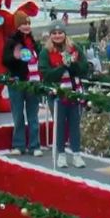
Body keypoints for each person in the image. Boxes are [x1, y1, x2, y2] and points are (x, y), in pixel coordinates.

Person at [39, 22, 89, 168]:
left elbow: (83, 69)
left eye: (60, 32)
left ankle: (76, 154)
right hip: (57, 95)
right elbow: (46, 75)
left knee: (75, 124)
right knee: (59, 125)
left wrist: (72, 64)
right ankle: (61, 154)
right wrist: (62, 67)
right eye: (54, 33)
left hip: (74, 93)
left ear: (65, 34)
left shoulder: (75, 48)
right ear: (50, 36)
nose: (57, 35)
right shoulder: (45, 52)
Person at [2, 11, 43, 156]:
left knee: (33, 115)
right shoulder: (12, 42)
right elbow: (5, 60)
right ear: (17, 26)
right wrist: (15, 57)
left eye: (28, 23)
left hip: (33, 83)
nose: (26, 26)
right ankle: (19, 145)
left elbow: (40, 60)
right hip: (17, 83)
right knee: (18, 114)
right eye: (23, 24)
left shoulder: (33, 42)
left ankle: (34, 145)